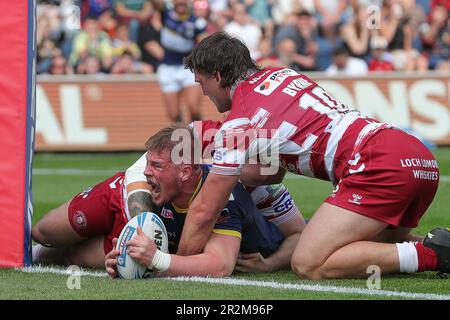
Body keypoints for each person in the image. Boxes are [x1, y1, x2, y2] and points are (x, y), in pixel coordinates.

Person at [179, 32, 450, 279]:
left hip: (376, 163)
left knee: (308, 263)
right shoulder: (283, 74)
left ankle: (435, 254)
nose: (203, 92)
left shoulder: (239, 121)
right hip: (414, 154)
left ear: (216, 76)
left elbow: (205, 210)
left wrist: (178, 263)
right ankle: (436, 246)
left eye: (201, 82)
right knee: (376, 247)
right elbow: (273, 170)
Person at [32, 121, 305, 274]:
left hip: (163, 222)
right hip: (127, 195)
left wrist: (135, 260)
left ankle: (50, 254)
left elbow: (218, 262)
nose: (271, 170)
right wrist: (150, 254)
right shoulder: (162, 173)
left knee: (73, 256)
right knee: (43, 232)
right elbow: (142, 174)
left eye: (273, 165)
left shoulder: (238, 193)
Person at [151, 0, 207, 123]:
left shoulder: (197, 21)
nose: (181, 1)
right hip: (167, 67)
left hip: (188, 67)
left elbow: (203, 43)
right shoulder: (165, 12)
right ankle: (182, 139)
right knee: (173, 114)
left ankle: (199, 138)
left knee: (194, 110)